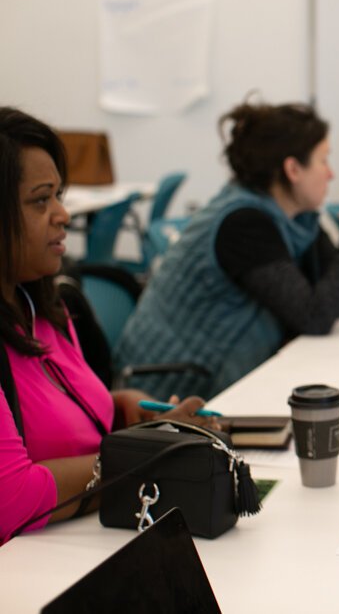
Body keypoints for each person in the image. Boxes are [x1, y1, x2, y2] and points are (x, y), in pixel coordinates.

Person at [0, 107, 213, 544]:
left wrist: (119, 409)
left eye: (60, 194)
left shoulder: (46, 307)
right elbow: (11, 499)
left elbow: (52, 419)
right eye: (41, 199)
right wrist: (144, 456)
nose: (63, 214)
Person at [115, 100, 339, 401]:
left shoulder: (296, 218)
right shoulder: (243, 223)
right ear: (293, 169)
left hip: (230, 380)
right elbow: (315, 316)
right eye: (323, 161)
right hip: (172, 395)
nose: (330, 174)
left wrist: (337, 274)